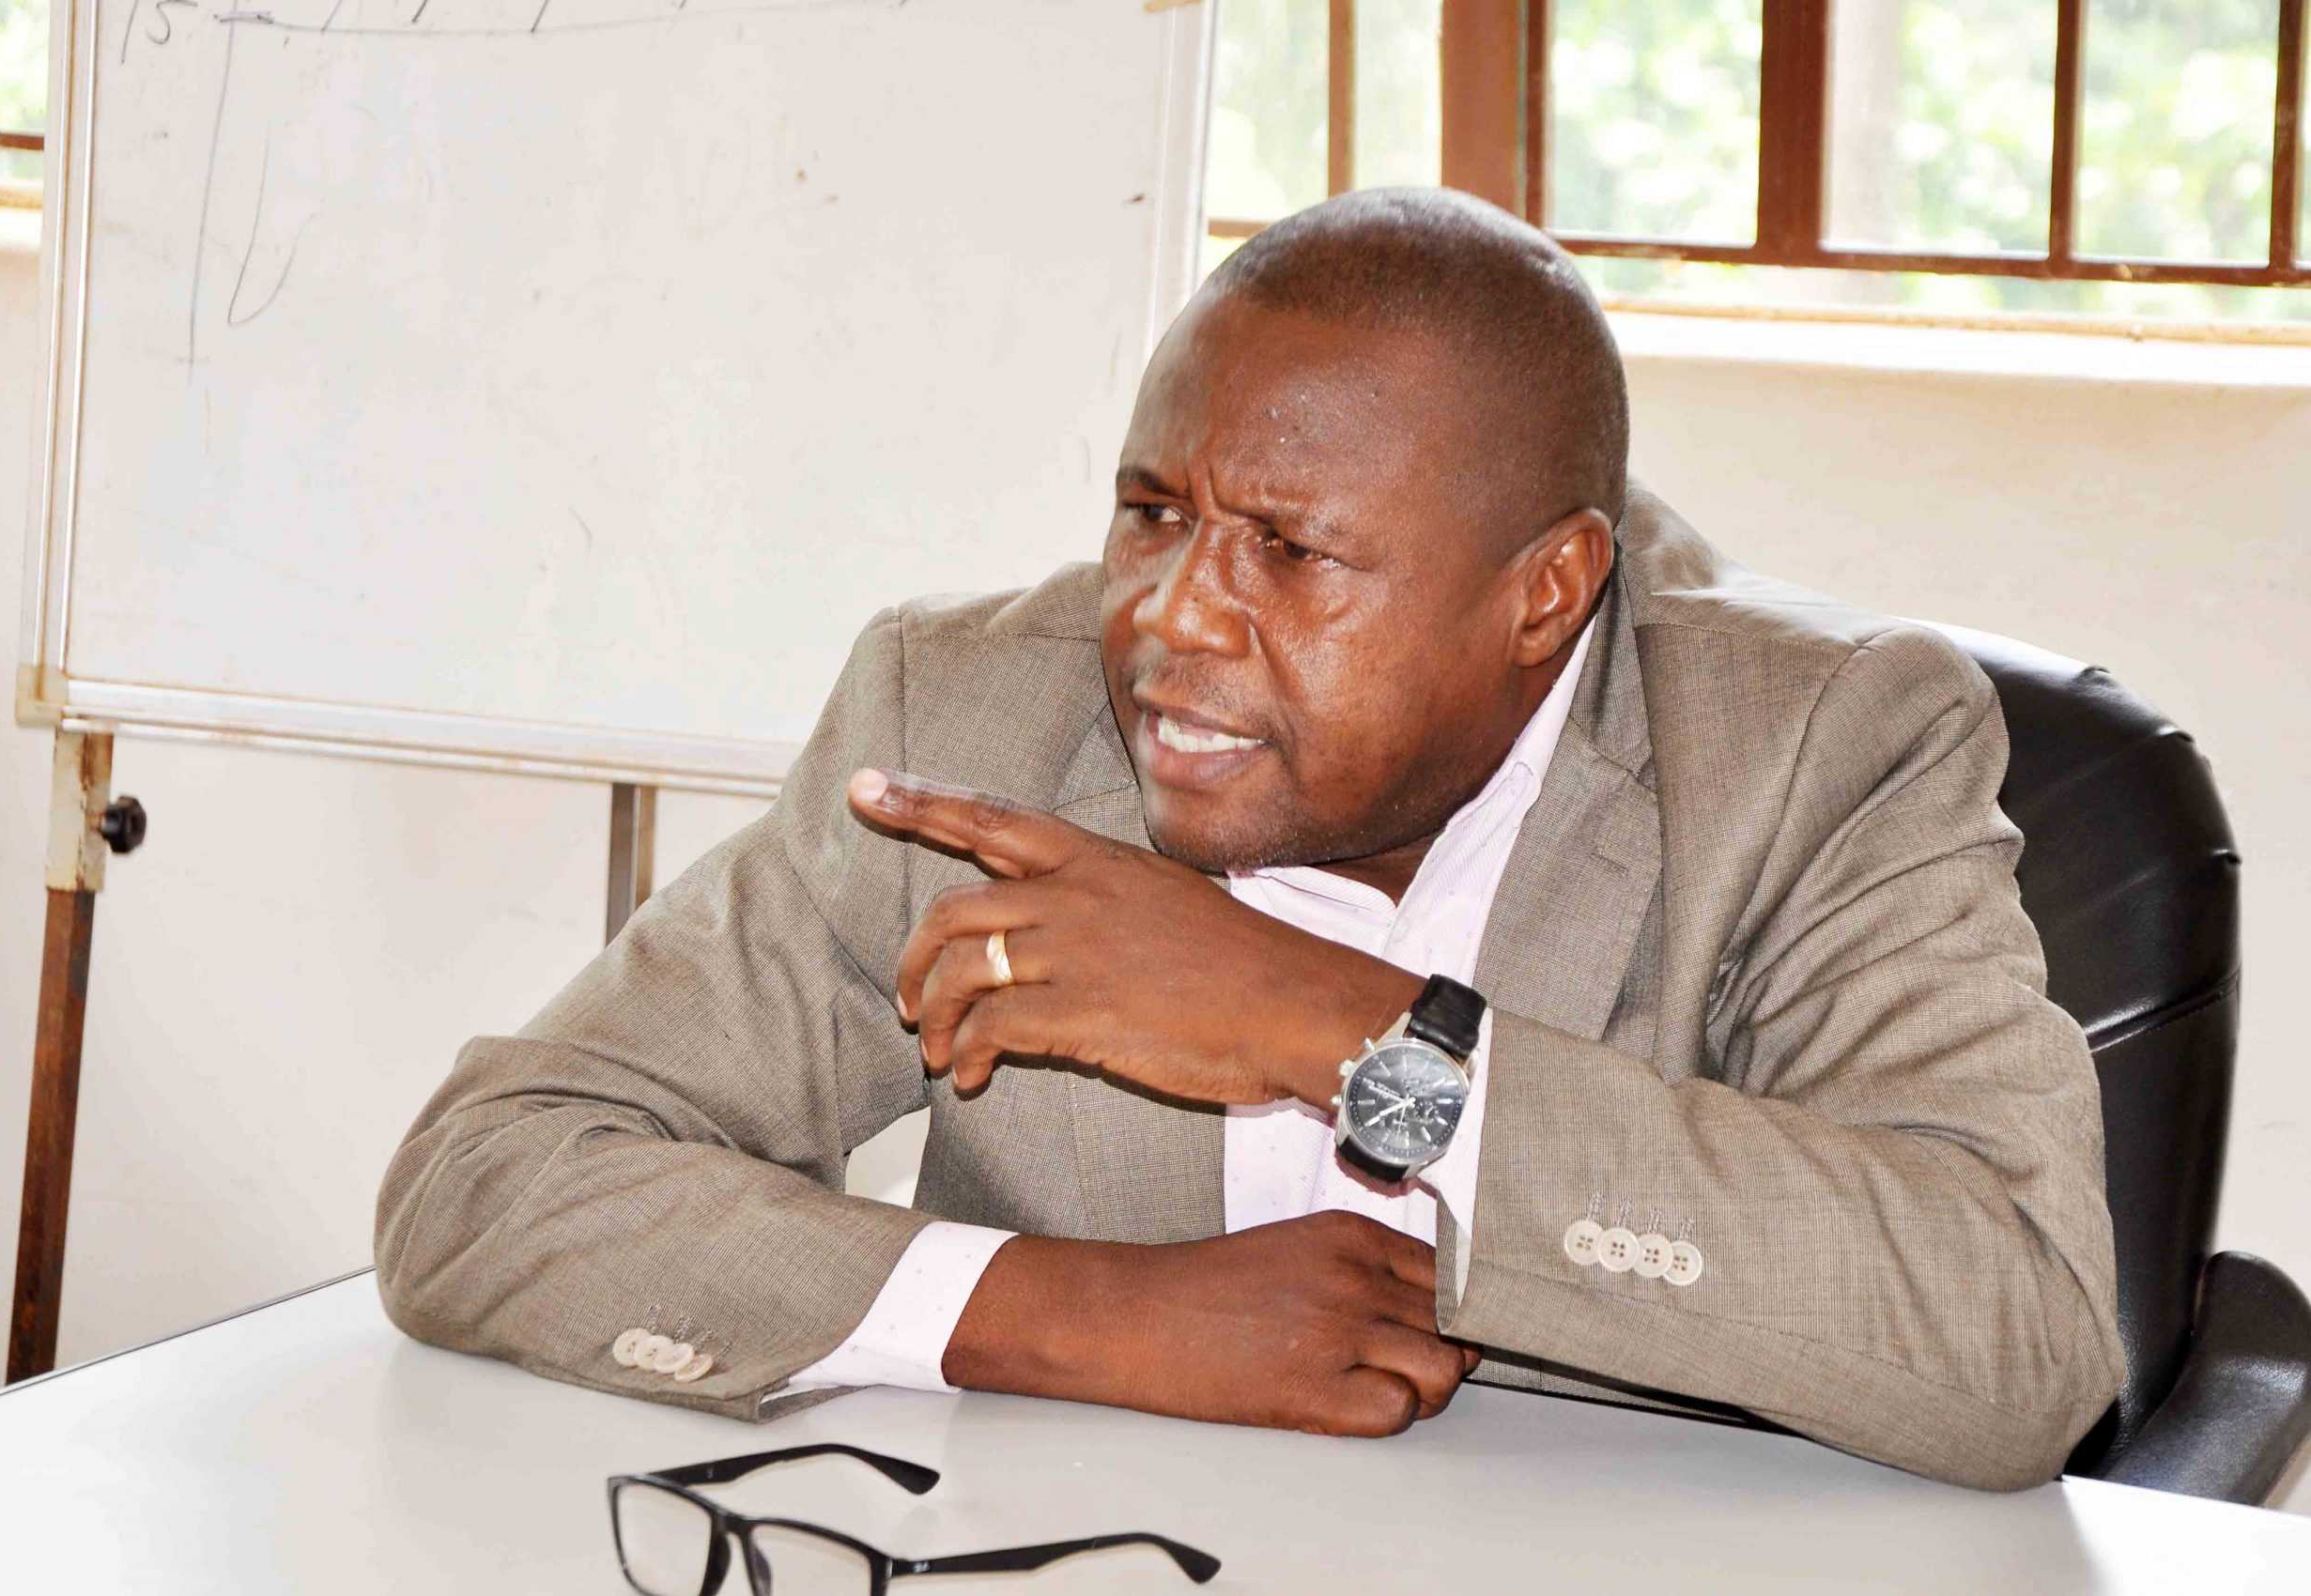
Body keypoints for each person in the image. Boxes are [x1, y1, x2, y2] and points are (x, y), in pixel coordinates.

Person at [373, 189, 2121, 1491]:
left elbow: (2012, 1343)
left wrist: (1341, 1034)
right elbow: (488, 1182)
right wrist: (1078, 1317)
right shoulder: (970, 721)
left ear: (1549, 595)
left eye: (1290, 552)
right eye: (1152, 513)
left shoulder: (1812, 752)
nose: (1172, 623)